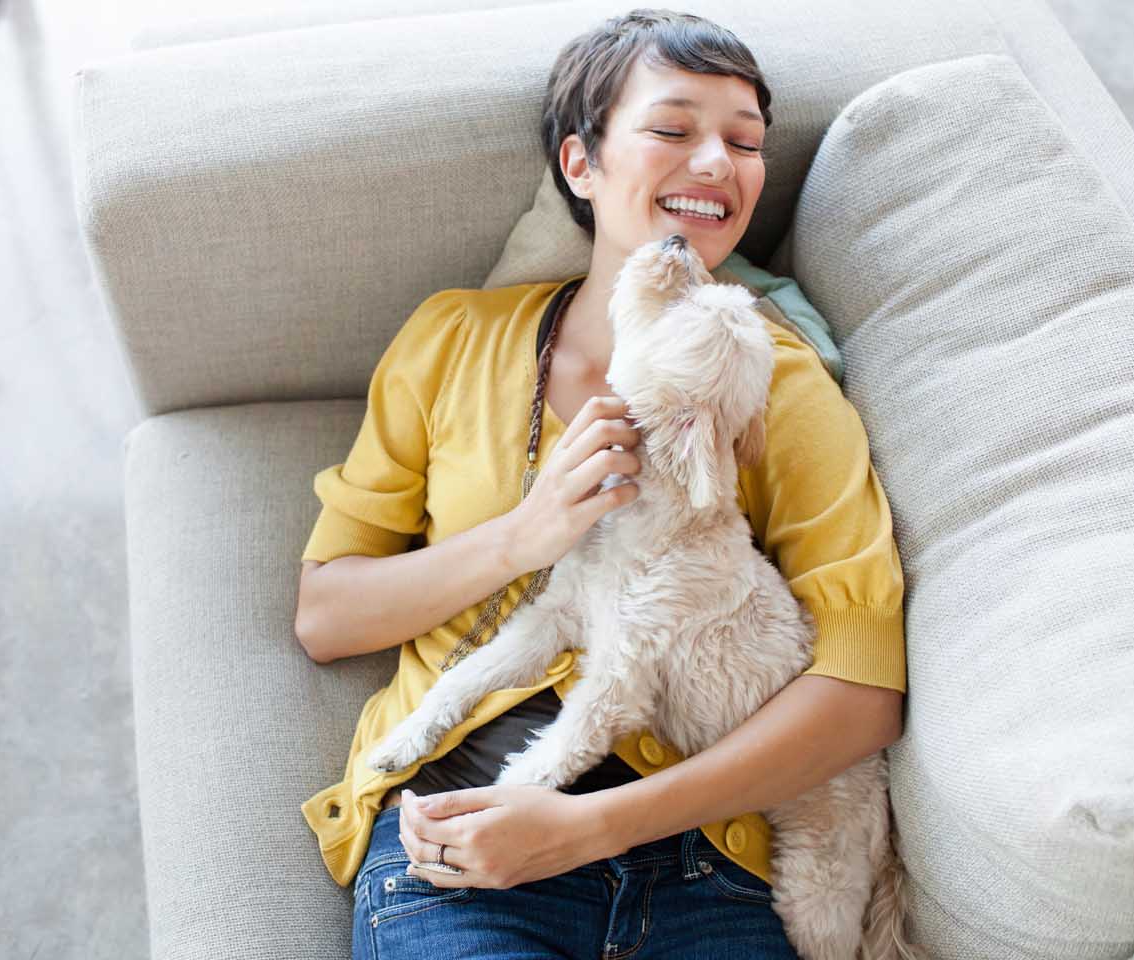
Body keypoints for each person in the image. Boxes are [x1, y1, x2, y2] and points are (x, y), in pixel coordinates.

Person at [293, 9, 908, 958]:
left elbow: (864, 689)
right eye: (673, 129)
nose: (719, 162)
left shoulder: (772, 384)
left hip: (706, 864)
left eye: (746, 143)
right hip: (464, 847)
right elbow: (328, 617)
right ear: (581, 165)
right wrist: (525, 535)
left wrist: (598, 825)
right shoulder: (452, 338)